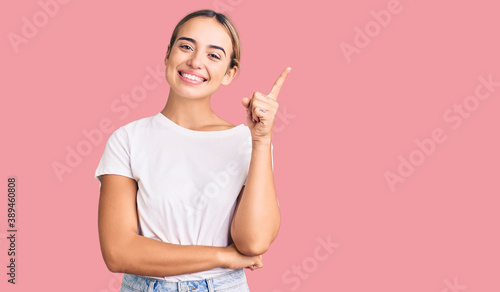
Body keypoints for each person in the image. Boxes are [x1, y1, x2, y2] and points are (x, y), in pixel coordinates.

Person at [94, 9, 291, 292]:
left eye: (214, 55)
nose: (195, 61)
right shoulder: (128, 139)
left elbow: (254, 242)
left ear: (229, 73)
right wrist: (223, 256)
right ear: (167, 55)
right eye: (186, 46)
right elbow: (119, 252)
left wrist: (261, 140)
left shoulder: (247, 142)